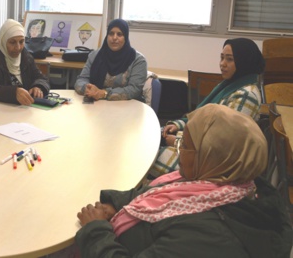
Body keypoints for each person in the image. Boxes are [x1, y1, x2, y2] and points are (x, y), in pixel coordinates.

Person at [76, 104, 293, 258]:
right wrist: (116, 203)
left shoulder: (206, 235)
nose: (179, 152)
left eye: (186, 145)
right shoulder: (215, 182)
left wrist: (96, 231)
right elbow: (152, 194)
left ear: (212, 157)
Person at [150, 37, 264, 178]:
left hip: (209, 165)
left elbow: (220, 145)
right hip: (196, 151)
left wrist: (177, 142)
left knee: (146, 157)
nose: (222, 64)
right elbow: (201, 117)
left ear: (244, 62)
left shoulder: (246, 95)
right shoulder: (228, 86)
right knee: (149, 139)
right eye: (221, 58)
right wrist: (178, 124)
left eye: (229, 59)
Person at [74, 18, 147, 101]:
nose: (114, 38)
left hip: (125, 107)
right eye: (111, 33)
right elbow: (81, 79)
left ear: (125, 37)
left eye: (119, 34)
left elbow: (134, 90)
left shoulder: (138, 60)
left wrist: (104, 93)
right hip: (97, 105)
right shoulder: (95, 55)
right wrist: (87, 88)